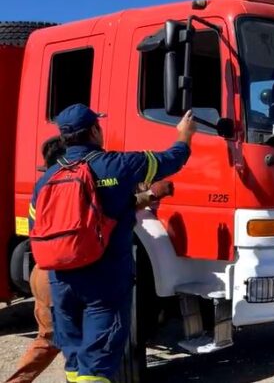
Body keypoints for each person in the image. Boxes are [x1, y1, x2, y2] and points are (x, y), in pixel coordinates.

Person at [28, 104, 195, 383]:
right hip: (103, 281)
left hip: (60, 281)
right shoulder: (119, 165)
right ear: (95, 130)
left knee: (75, 359)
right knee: (97, 364)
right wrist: (184, 135)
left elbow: (37, 229)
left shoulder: (45, 179)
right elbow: (172, 160)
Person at [8, 137, 174, 383]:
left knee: (54, 339)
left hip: (44, 273)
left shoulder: (46, 187)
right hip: (69, 274)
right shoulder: (81, 182)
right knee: (77, 338)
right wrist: (149, 194)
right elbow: (108, 211)